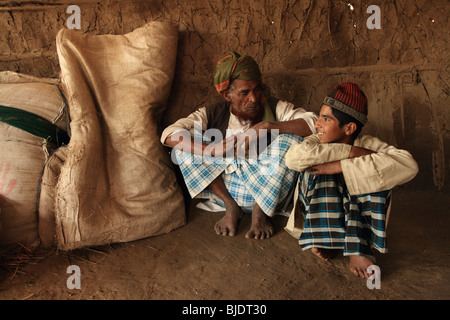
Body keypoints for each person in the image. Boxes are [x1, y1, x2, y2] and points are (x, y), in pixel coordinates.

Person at [161, 51, 318, 240]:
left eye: (257, 89)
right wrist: (209, 150)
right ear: (228, 95)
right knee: (186, 142)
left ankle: (259, 214)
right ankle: (231, 207)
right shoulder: (212, 113)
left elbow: (313, 123)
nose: (253, 98)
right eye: (244, 93)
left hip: (268, 191)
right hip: (227, 189)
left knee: (292, 141)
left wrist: (268, 126)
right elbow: (169, 134)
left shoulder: (275, 107)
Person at [285, 82, 418, 278]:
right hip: (323, 213)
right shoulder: (314, 141)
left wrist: (341, 166)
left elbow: (409, 165)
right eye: (320, 116)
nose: (317, 124)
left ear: (349, 128)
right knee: (317, 171)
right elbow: (292, 159)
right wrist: (352, 152)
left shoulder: (369, 144)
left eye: (326, 118)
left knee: (377, 171)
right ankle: (327, 239)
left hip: (356, 212)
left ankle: (358, 248)